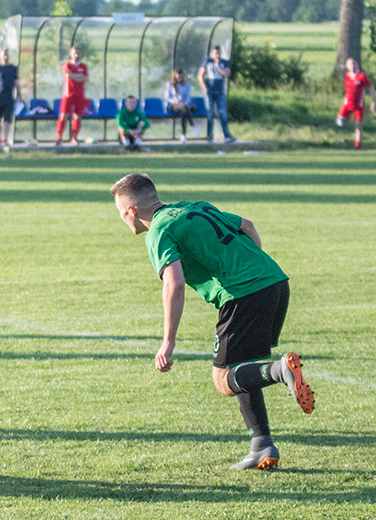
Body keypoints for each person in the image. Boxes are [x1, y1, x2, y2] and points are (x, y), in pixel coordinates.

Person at [110, 173, 314, 470]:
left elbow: (174, 284)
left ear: (131, 210)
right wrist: (253, 269)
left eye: (120, 213)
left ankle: (280, 370)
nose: (122, 219)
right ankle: (262, 446)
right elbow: (247, 226)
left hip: (242, 294)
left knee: (223, 380)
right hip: (275, 281)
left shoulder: (158, 230)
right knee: (243, 366)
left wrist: (168, 342)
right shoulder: (196, 206)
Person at [336, 57, 376, 149]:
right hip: (347, 104)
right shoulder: (347, 76)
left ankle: (357, 145)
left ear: (357, 65)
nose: (353, 65)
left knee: (358, 126)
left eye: (354, 63)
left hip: (359, 105)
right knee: (339, 121)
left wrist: (373, 101)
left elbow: (371, 87)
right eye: (351, 64)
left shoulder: (362, 76)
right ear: (347, 66)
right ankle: (347, 121)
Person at [198, 46, 236, 144]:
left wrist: (218, 66)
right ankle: (210, 135)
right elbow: (200, 76)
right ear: (212, 53)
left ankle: (226, 135)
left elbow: (227, 74)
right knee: (210, 113)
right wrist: (205, 89)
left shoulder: (224, 62)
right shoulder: (207, 62)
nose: (217, 55)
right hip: (209, 91)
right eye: (216, 53)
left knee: (223, 112)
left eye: (219, 53)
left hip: (220, 91)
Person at [56, 45, 89, 146]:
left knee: (77, 116)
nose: (76, 55)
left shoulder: (83, 66)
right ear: (70, 54)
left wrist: (74, 76)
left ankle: (74, 137)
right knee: (63, 116)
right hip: (68, 94)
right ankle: (59, 138)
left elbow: (85, 78)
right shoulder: (67, 65)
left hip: (80, 95)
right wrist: (78, 76)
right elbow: (68, 75)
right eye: (74, 53)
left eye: (78, 52)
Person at [0, 48, 21, 147]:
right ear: (1, 56)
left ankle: (5, 138)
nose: (6, 57)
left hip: (9, 97)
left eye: (7, 55)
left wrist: (20, 96)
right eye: (4, 55)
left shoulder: (13, 68)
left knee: (7, 118)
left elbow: (16, 83)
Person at [165, 68, 199, 143]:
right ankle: (193, 126)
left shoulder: (186, 85)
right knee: (184, 108)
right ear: (175, 76)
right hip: (173, 105)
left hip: (184, 105)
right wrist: (174, 101)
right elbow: (167, 98)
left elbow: (188, 97)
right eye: (178, 77)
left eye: (181, 77)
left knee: (184, 111)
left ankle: (184, 135)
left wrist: (186, 102)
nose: (179, 78)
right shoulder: (170, 85)